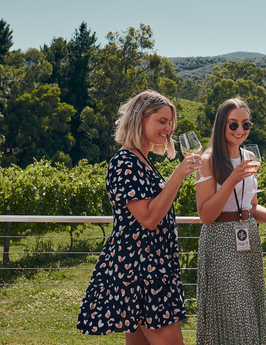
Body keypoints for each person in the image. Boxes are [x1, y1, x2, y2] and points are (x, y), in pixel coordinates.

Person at [77, 90, 200, 345]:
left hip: (149, 266)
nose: (168, 129)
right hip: (142, 269)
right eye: (161, 121)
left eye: (170, 123)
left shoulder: (142, 161)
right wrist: (178, 176)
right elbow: (148, 219)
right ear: (139, 119)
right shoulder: (125, 161)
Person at [195, 98, 266, 345]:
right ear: (221, 126)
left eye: (246, 125)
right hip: (219, 241)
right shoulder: (208, 160)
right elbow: (205, 216)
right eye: (233, 125)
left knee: (249, 309)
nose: (240, 131)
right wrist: (232, 179)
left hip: (248, 237)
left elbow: (252, 207)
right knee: (236, 314)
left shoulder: (248, 156)